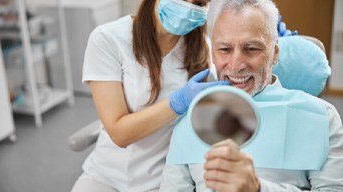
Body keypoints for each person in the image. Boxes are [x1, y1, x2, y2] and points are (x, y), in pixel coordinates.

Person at [159, 0, 343, 191]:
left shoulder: (322, 118)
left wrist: (257, 188)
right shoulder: (190, 122)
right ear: (213, 53)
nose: (236, 65)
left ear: (275, 53)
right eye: (225, 49)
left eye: (252, 49)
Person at [70, 0, 231, 191]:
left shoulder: (202, 48)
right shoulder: (108, 38)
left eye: (198, 2)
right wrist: (177, 102)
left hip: (163, 180)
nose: (188, 6)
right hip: (106, 176)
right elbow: (119, 134)